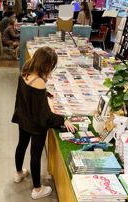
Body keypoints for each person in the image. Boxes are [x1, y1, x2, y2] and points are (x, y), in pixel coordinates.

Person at [12, 47, 77, 200]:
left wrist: (45, 94)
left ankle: (18, 173)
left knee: (21, 145)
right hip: (35, 125)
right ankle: (37, 189)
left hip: (23, 117)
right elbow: (45, 116)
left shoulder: (26, 70)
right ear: (46, 64)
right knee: (35, 154)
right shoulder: (39, 81)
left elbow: (27, 94)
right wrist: (62, 120)